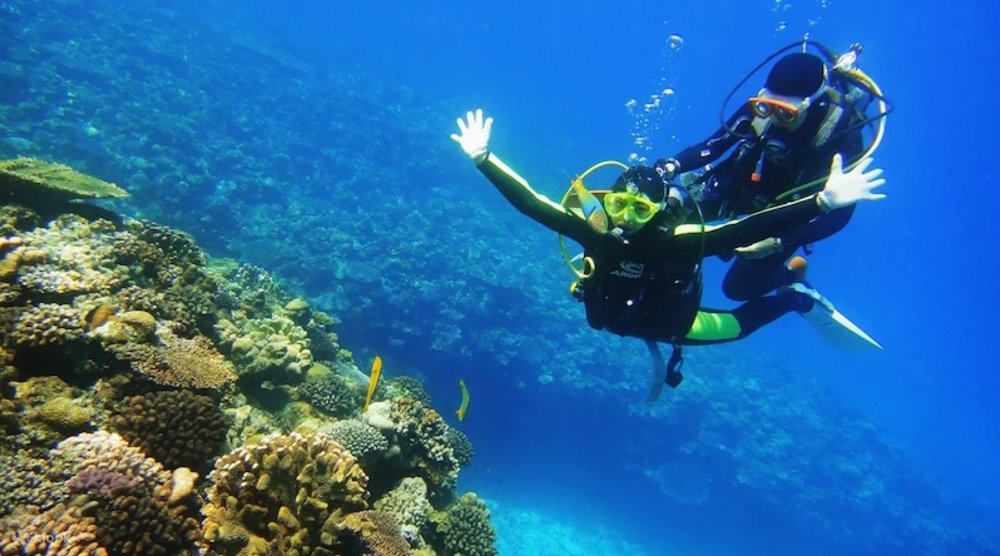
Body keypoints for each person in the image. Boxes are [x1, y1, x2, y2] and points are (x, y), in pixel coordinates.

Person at [452, 108, 885, 400]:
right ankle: (790, 286)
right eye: (618, 205)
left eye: (641, 209)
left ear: (659, 210)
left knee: (738, 325)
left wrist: (822, 203)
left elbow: (745, 227)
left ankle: (796, 297)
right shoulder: (597, 231)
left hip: (674, 323)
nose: (626, 218)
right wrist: (484, 159)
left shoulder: (675, 239)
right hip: (618, 317)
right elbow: (533, 204)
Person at [656, 45, 888, 302]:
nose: (774, 118)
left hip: (783, 217)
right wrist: (669, 166)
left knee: (736, 289)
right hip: (738, 190)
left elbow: (839, 216)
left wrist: (780, 242)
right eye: (766, 108)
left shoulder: (844, 133)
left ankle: (793, 279)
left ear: (812, 103)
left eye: (786, 113)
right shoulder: (758, 110)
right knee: (669, 231)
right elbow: (712, 147)